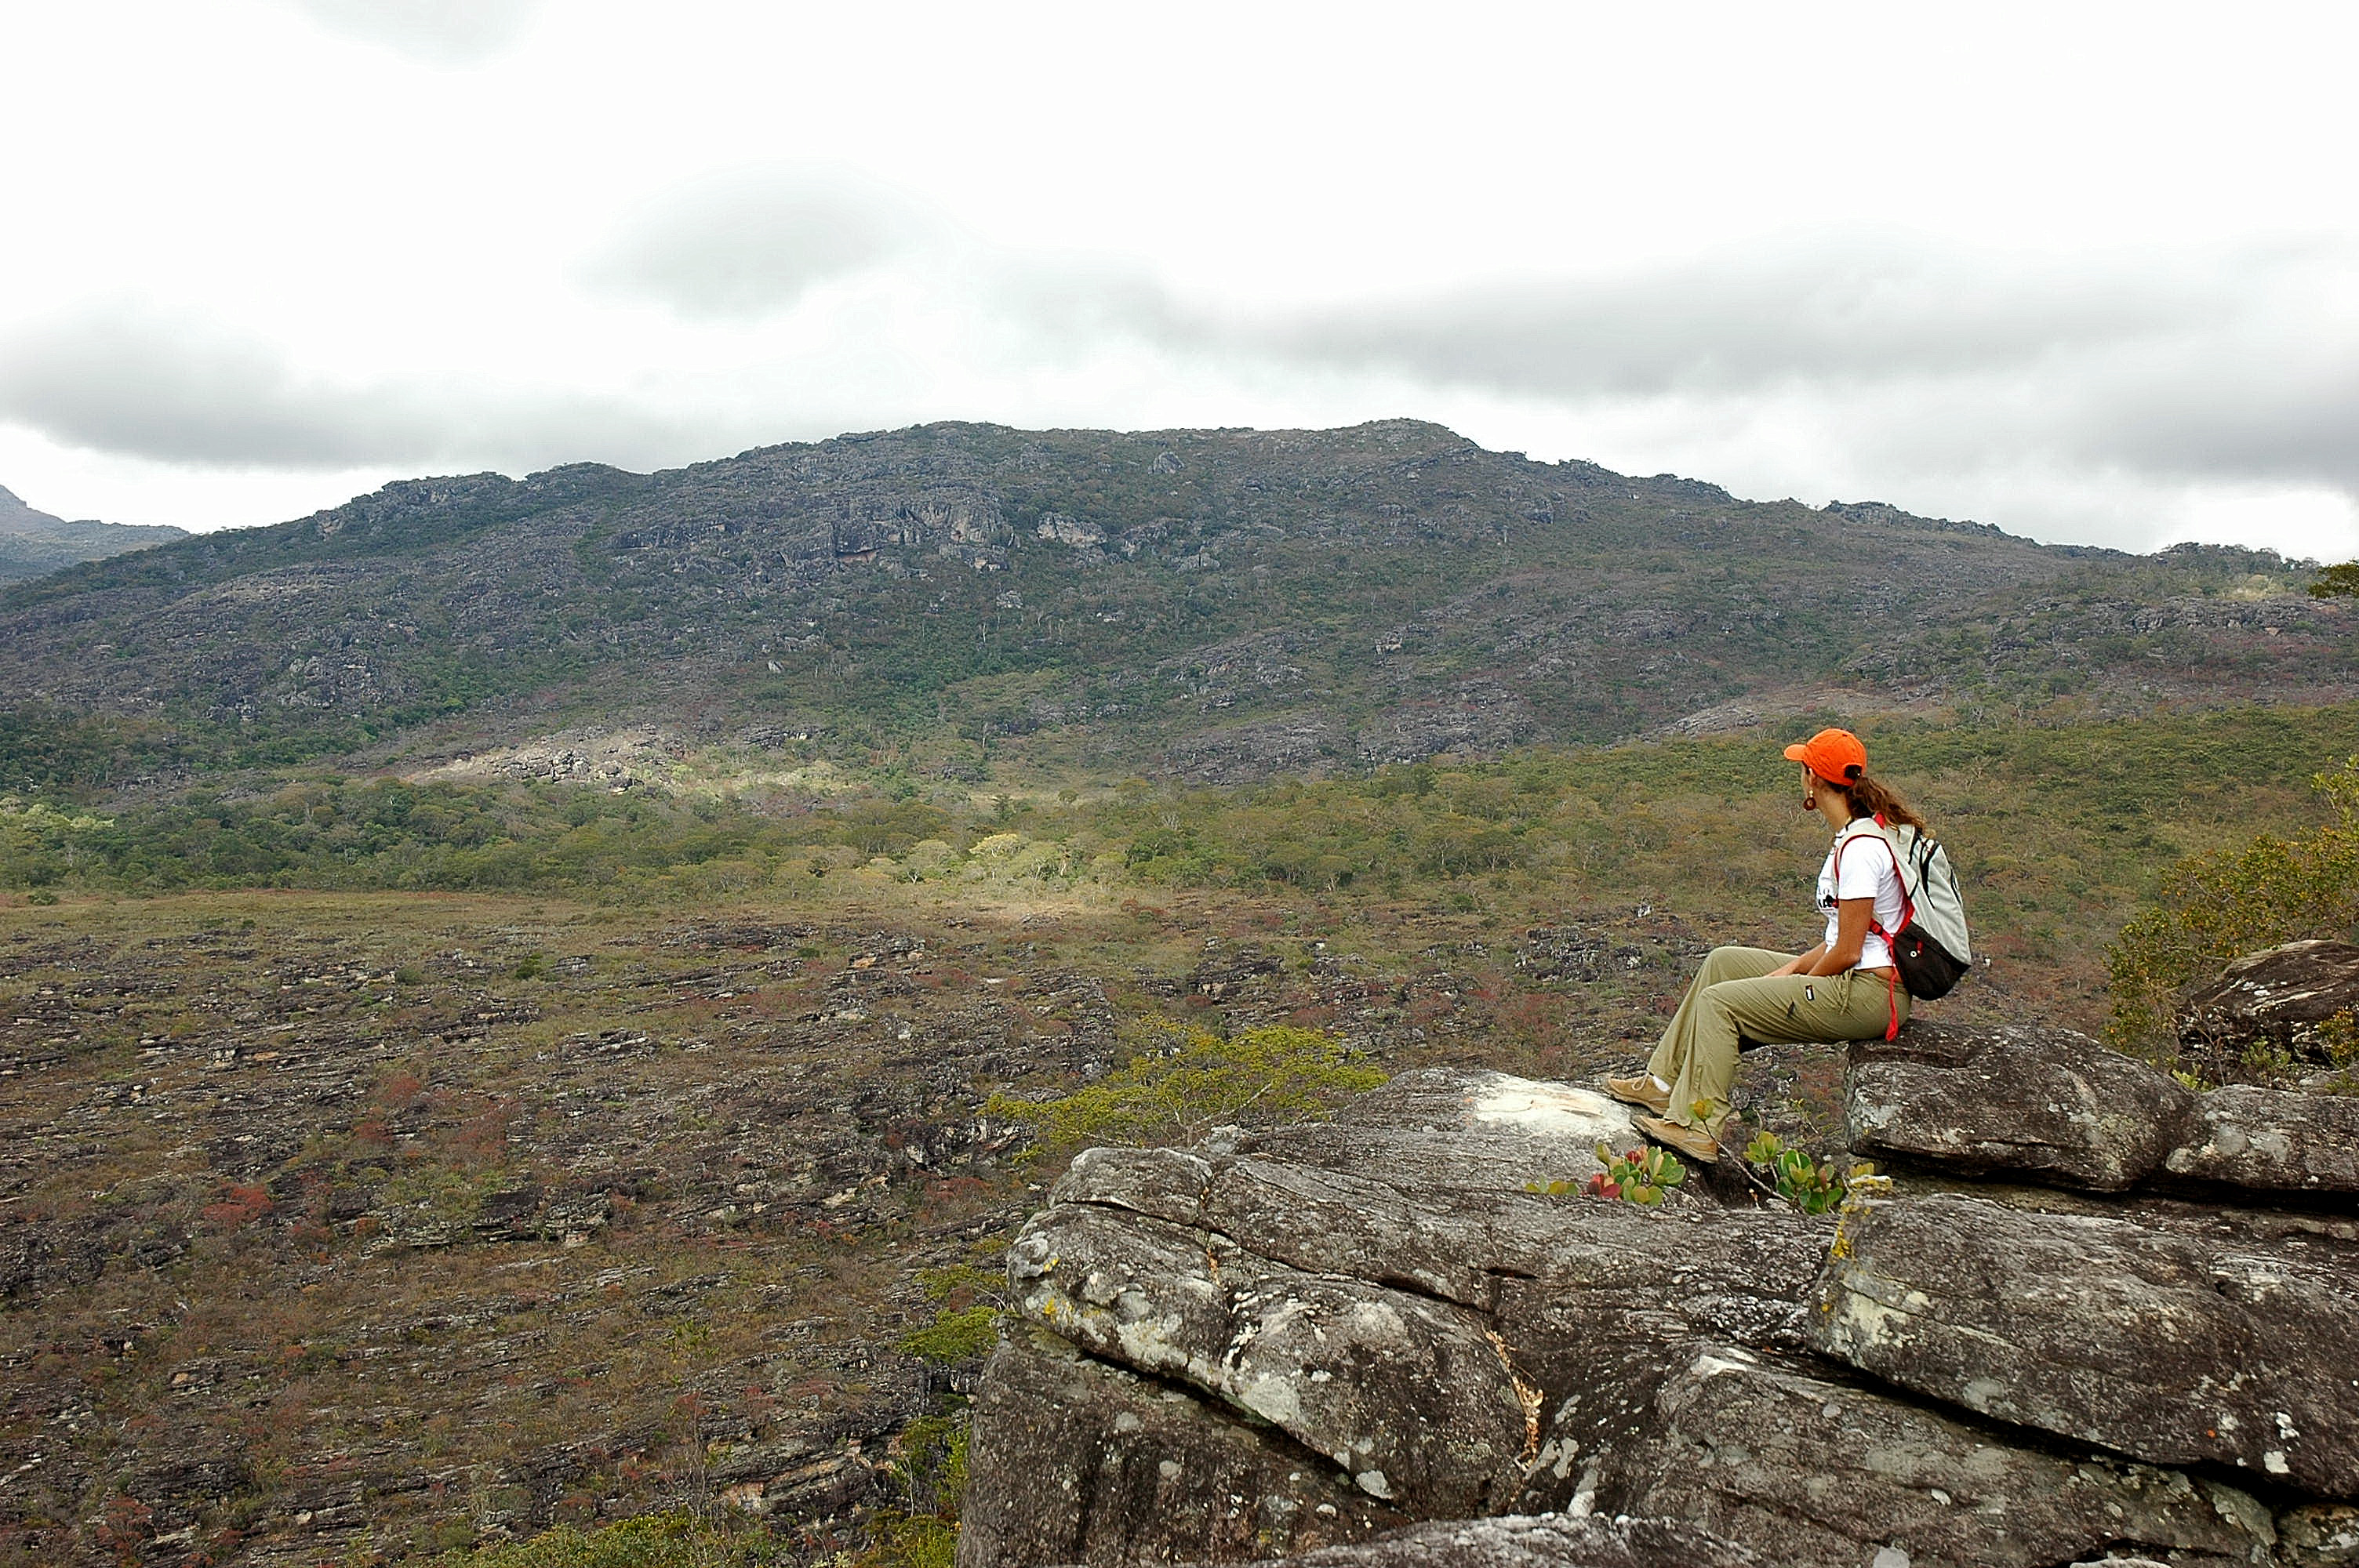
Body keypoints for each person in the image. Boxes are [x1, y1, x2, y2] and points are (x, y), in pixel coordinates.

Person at [1602, 727, 1926, 1163]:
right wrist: (1792, 969)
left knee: (1720, 1004)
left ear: (1813, 777)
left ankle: (1697, 1128)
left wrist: (1797, 981)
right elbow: (1845, 938)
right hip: (1858, 976)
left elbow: (1849, 952)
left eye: (1803, 767)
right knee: (1724, 962)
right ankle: (1662, 1085)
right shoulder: (1857, 836)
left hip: (1868, 993)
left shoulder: (1861, 850)